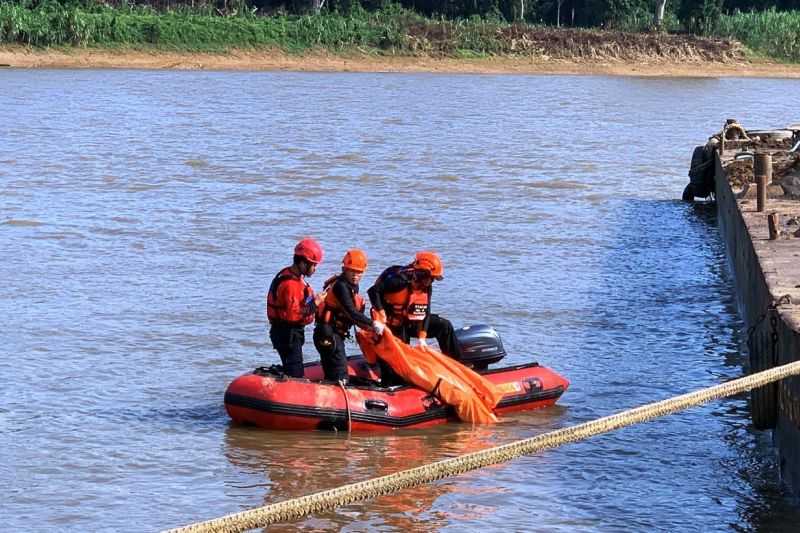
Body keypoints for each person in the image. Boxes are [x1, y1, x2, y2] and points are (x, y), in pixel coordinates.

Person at [367, 251, 461, 385]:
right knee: (397, 368)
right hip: (391, 325)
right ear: (422, 274)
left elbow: (426, 311)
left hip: (410, 321)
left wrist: (422, 338)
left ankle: (455, 367)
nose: (432, 281)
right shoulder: (398, 281)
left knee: (444, 326)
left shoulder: (426, 286)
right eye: (431, 278)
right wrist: (381, 313)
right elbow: (373, 291)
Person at [314, 249, 384, 383]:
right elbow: (352, 312)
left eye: (359, 272)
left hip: (335, 334)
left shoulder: (351, 286)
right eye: (352, 271)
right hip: (327, 334)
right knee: (340, 375)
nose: (355, 275)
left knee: (334, 371)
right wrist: (373, 324)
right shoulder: (341, 286)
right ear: (344, 269)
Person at [266, 237, 324, 378]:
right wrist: (315, 305)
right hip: (288, 334)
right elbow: (294, 315)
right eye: (313, 265)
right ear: (303, 263)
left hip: (284, 332)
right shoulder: (291, 285)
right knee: (295, 373)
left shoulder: (288, 274)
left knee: (292, 367)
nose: (315, 269)